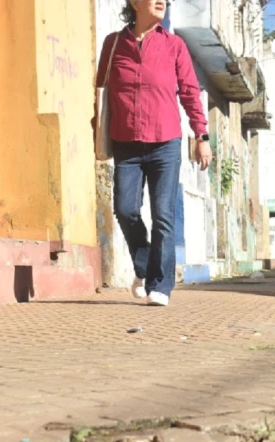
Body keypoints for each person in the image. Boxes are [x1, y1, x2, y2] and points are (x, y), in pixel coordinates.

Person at [95, 0, 212, 307]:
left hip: (165, 143)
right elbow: (98, 90)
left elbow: (189, 92)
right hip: (126, 143)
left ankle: (160, 285)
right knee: (125, 209)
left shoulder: (174, 46)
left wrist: (202, 135)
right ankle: (145, 265)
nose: (162, 1)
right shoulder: (114, 43)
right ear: (134, 2)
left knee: (163, 217)